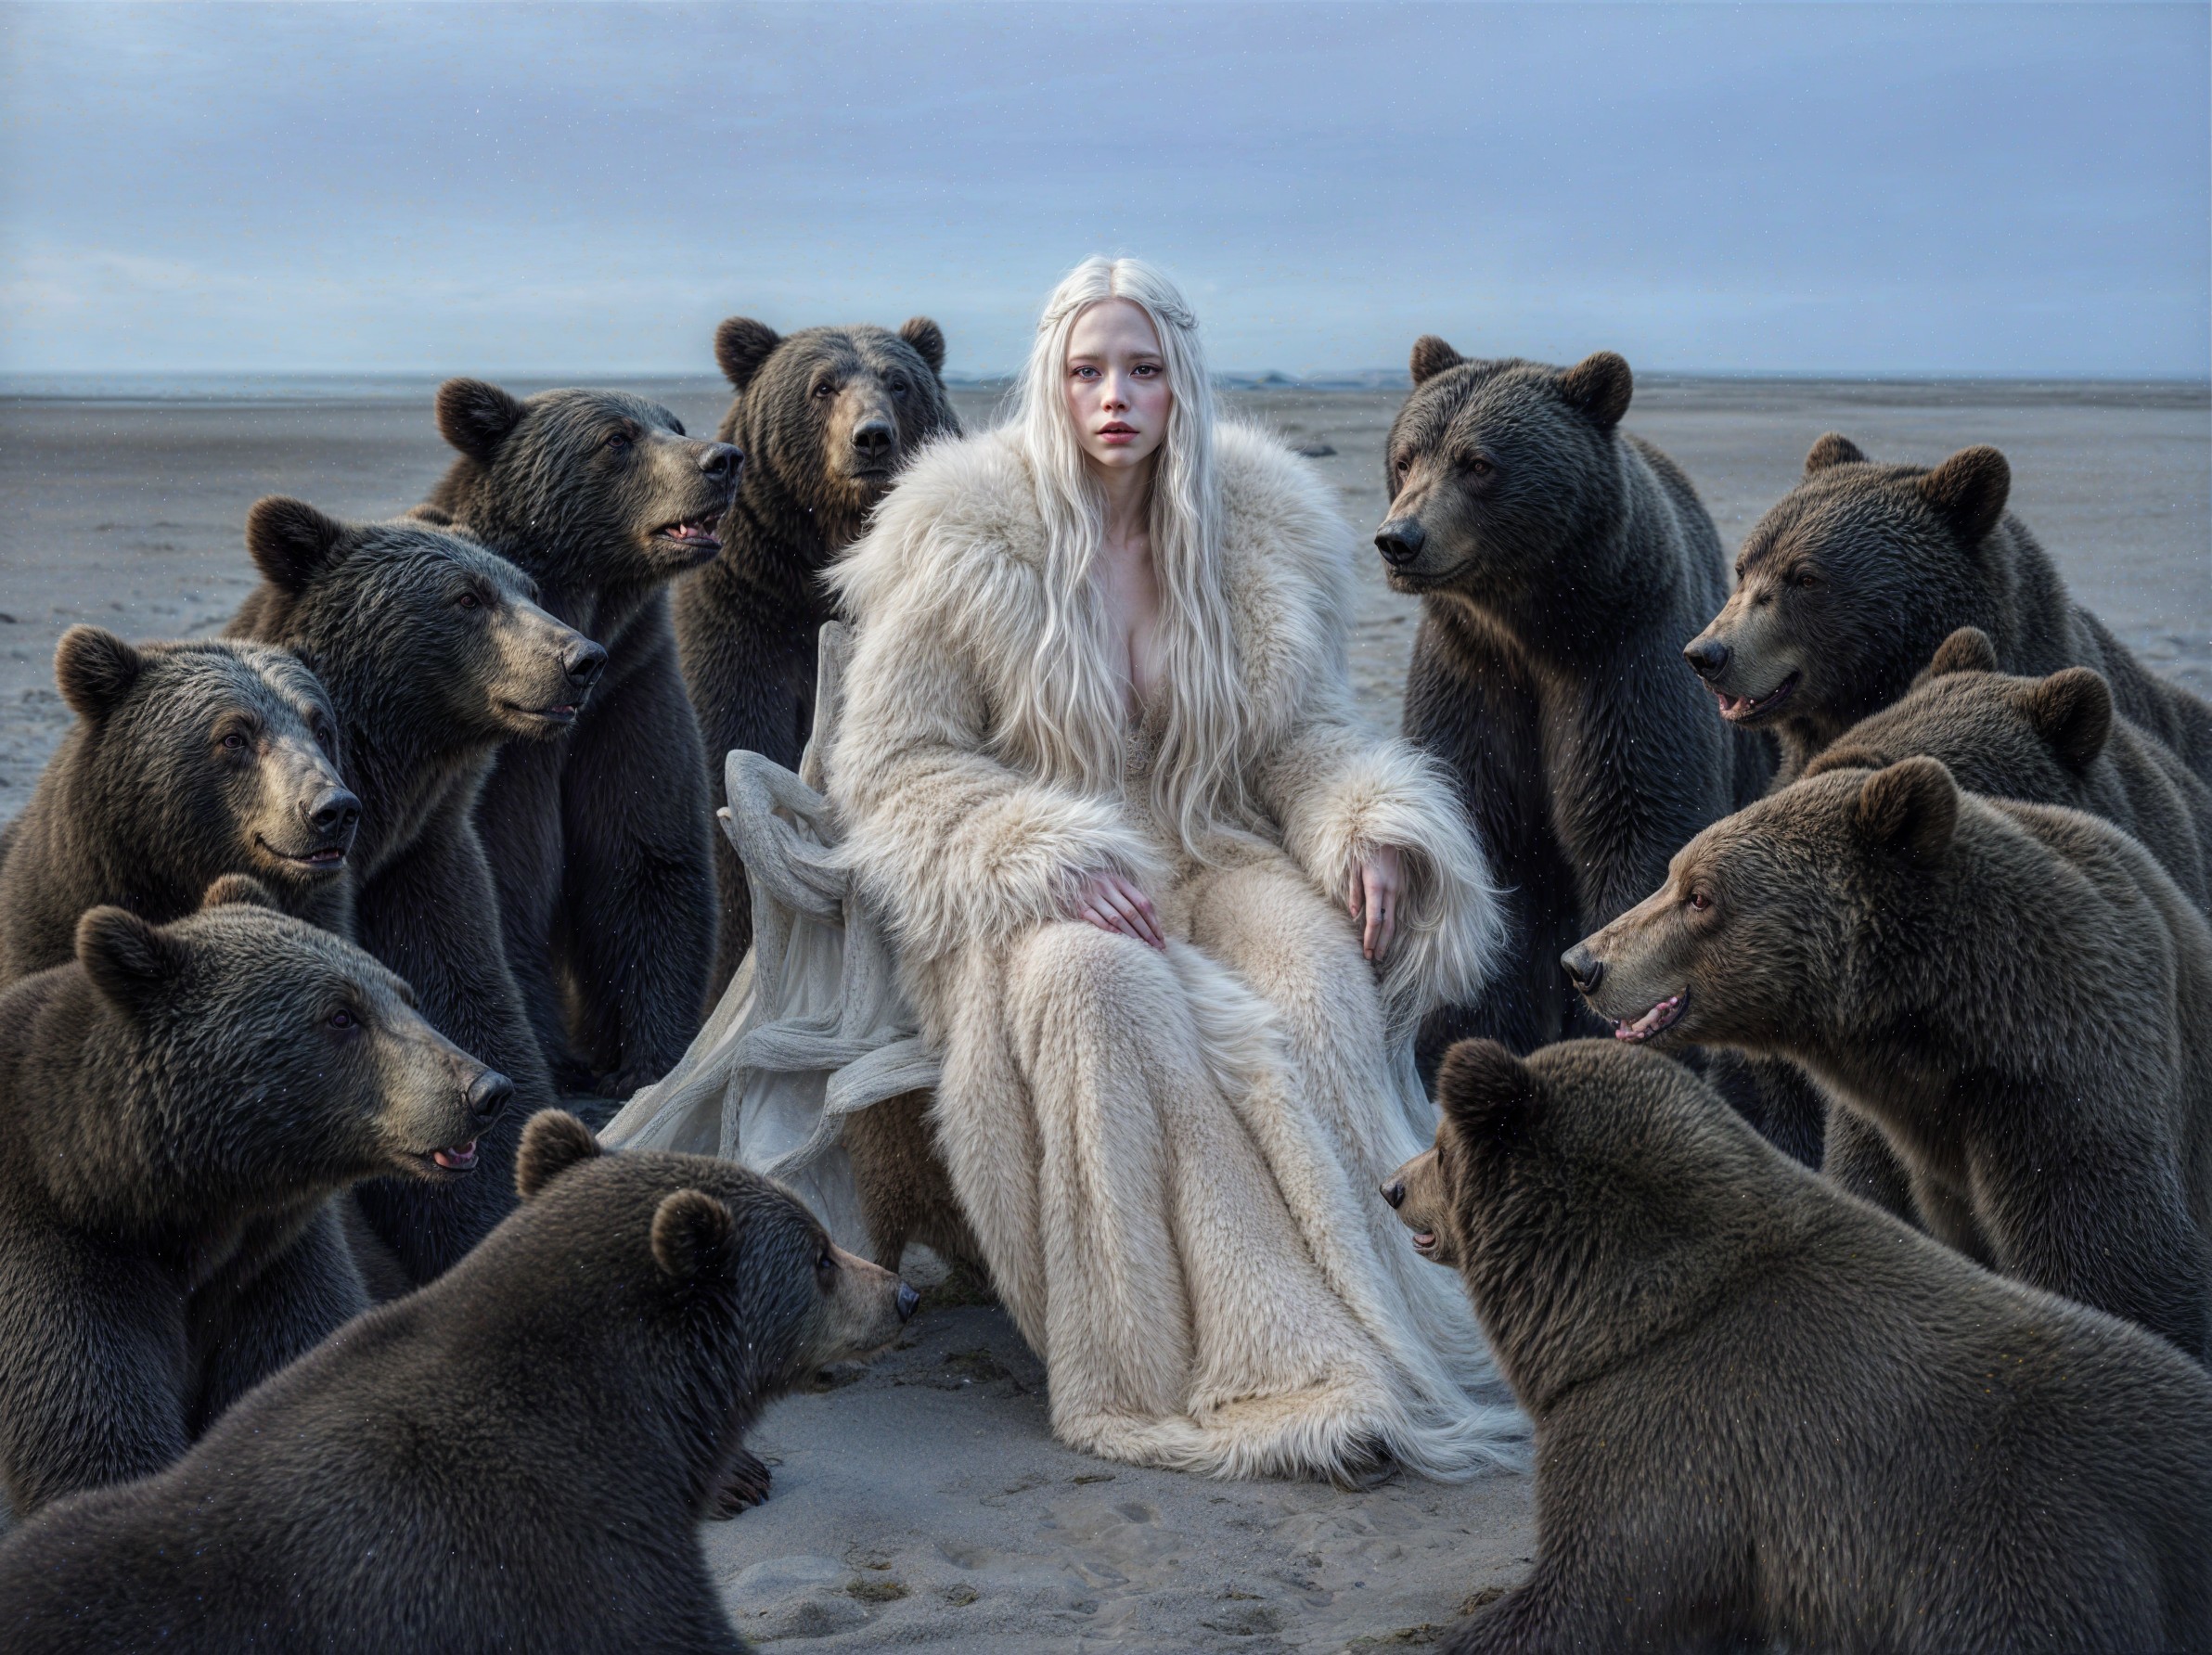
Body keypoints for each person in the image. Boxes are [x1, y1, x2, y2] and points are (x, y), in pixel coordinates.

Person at [826, 256, 1519, 1481]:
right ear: (1050, 377)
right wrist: (1032, 850)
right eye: (1087, 370)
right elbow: (888, 767)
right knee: (1108, 991)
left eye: (1142, 369)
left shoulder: (1260, 527)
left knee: (1312, 975)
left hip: (1208, 846)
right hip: (1036, 897)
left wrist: (1365, 823)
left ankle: (1385, 1316)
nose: (1114, 396)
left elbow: (1304, 741)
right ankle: (1252, 1364)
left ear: (1181, 382)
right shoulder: (958, 534)